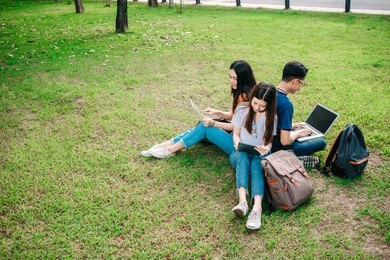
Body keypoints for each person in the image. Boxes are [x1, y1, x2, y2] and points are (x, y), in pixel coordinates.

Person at [141, 60, 257, 159]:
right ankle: (162, 146)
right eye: (230, 77)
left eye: (235, 78)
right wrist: (216, 112)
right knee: (200, 127)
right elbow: (233, 116)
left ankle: (170, 150)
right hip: (235, 137)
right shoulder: (241, 92)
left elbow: (236, 127)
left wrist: (214, 123)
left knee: (205, 127)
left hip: (240, 146)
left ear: (243, 78)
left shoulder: (246, 97)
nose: (231, 81)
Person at [229, 82, 277, 230]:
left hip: (258, 155)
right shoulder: (242, 110)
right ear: (252, 97)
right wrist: (237, 144)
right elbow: (236, 134)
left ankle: (257, 208)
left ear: (269, 104)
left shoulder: (271, 117)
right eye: (255, 103)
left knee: (257, 162)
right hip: (240, 153)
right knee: (243, 156)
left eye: (262, 106)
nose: (257, 108)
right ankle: (242, 202)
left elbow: (268, 142)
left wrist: (265, 148)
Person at [271, 61, 326, 157]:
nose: (300, 88)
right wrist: (298, 133)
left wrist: (291, 126)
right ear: (296, 81)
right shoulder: (286, 105)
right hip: (277, 149)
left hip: (265, 140)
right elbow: (285, 141)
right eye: (302, 84)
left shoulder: (269, 92)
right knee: (321, 142)